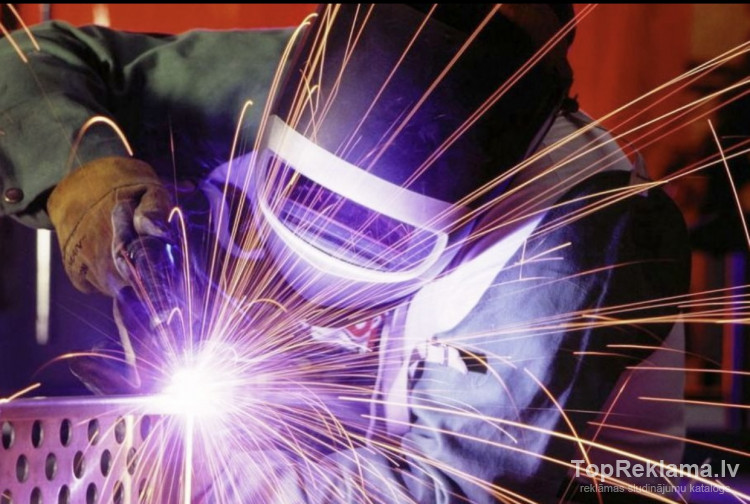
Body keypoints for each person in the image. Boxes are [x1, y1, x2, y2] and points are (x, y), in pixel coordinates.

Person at [1, 4, 690, 502]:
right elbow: (31, 63)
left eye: (384, 235)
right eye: (302, 192)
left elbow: (443, 489)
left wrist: (201, 475)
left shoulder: (570, 235)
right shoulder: (304, 77)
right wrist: (80, 168)